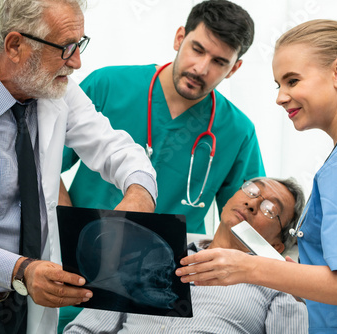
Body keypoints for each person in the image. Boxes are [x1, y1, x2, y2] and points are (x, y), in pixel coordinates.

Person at [0, 0, 158, 333]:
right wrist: (21, 270)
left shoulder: (57, 91)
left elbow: (114, 146)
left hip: (29, 304)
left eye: (80, 44)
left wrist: (140, 193)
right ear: (15, 45)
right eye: (66, 48)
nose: (76, 62)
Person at [176, 19, 337, 333]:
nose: (280, 97)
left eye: (292, 81)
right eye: (279, 85)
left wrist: (249, 267)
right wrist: (296, 273)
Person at [59, 0, 265, 235]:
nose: (201, 68)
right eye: (197, 50)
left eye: (219, 62)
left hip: (174, 265)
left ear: (234, 69)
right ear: (179, 38)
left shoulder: (238, 132)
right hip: (84, 246)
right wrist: (66, 226)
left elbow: (246, 222)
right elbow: (42, 163)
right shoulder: (106, 85)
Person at [64, 177, 308, 334]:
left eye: (270, 209)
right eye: (252, 191)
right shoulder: (153, 252)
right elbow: (86, 328)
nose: (252, 204)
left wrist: (291, 285)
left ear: (277, 246)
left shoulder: (278, 285)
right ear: (227, 201)